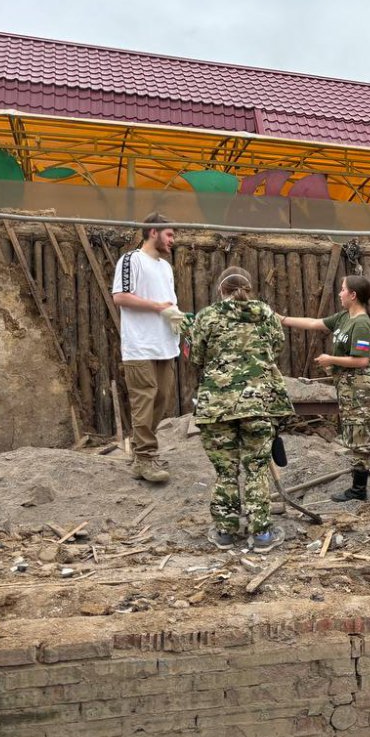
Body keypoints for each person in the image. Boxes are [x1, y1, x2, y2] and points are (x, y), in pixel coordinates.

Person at [188, 266, 293, 550]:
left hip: (216, 407)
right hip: (258, 403)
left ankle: (225, 531)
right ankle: (261, 535)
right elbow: (276, 349)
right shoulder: (267, 315)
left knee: (226, 470)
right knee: (256, 468)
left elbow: (196, 356)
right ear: (249, 289)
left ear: (221, 291)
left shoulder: (206, 317)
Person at [282, 275, 370, 502]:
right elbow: (314, 323)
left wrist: (331, 359)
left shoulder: (362, 323)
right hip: (348, 386)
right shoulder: (345, 317)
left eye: (343, 289)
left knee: (357, 437)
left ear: (353, 295)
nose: (340, 293)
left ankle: (359, 490)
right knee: (362, 433)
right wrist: (283, 319)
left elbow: (362, 361)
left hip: (359, 387)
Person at [110, 212, 185, 484]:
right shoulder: (132, 260)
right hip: (140, 345)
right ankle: (145, 457)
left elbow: (168, 303)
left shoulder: (165, 267)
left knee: (161, 399)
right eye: (169, 234)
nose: (172, 240)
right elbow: (120, 296)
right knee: (144, 400)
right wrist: (158, 308)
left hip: (165, 345)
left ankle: (143, 453)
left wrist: (177, 319)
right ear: (153, 232)